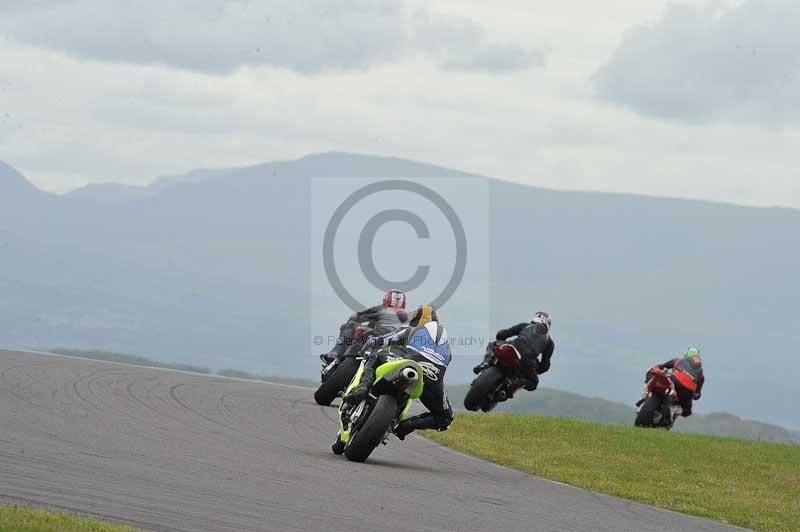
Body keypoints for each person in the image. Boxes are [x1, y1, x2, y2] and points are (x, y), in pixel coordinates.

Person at [332, 305, 453, 453]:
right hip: (433, 377)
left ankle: (363, 388)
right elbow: (445, 363)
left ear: (416, 319)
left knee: (374, 355)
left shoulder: (412, 330)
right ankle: (406, 425)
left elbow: (382, 341)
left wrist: (370, 343)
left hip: (410, 362)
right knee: (446, 417)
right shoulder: (446, 345)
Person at [320, 289, 409, 364]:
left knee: (350, 325)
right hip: (397, 345)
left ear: (385, 300)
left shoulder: (382, 309)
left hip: (377, 336)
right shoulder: (407, 317)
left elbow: (355, 317)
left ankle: (336, 352)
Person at [474, 311, 555, 392]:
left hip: (512, 349)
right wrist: (536, 370)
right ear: (548, 324)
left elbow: (502, 334)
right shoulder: (549, 342)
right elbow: (545, 365)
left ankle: (485, 363)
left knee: (492, 345)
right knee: (534, 382)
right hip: (526, 363)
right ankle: (515, 384)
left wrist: (501, 338)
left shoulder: (525, 326)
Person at [648, 347, 704, 417]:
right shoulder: (701, 374)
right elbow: (696, 394)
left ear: (687, 355)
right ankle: (671, 415)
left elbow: (661, 366)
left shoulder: (678, 360)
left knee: (655, 378)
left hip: (674, 380)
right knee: (687, 412)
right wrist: (695, 395)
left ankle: (647, 397)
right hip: (688, 391)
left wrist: (655, 369)